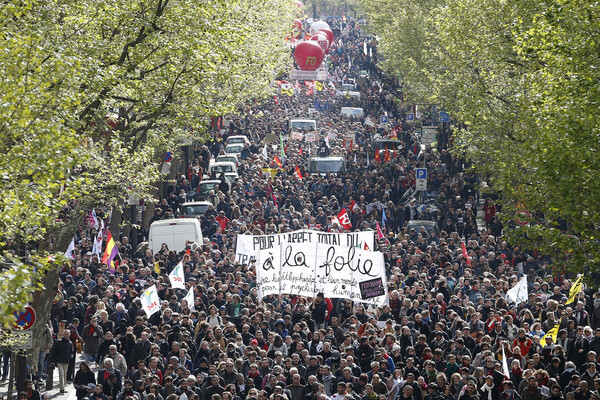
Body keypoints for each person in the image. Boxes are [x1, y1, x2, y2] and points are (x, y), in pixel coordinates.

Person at [50, 329, 74, 393]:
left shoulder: (70, 343)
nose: (66, 335)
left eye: (68, 334)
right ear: (63, 334)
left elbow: (72, 352)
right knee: (61, 374)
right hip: (59, 361)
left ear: (69, 335)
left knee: (64, 375)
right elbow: (53, 351)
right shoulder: (58, 342)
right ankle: (62, 388)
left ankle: (63, 387)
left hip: (66, 361)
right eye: (65, 334)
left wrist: (70, 357)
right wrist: (53, 361)